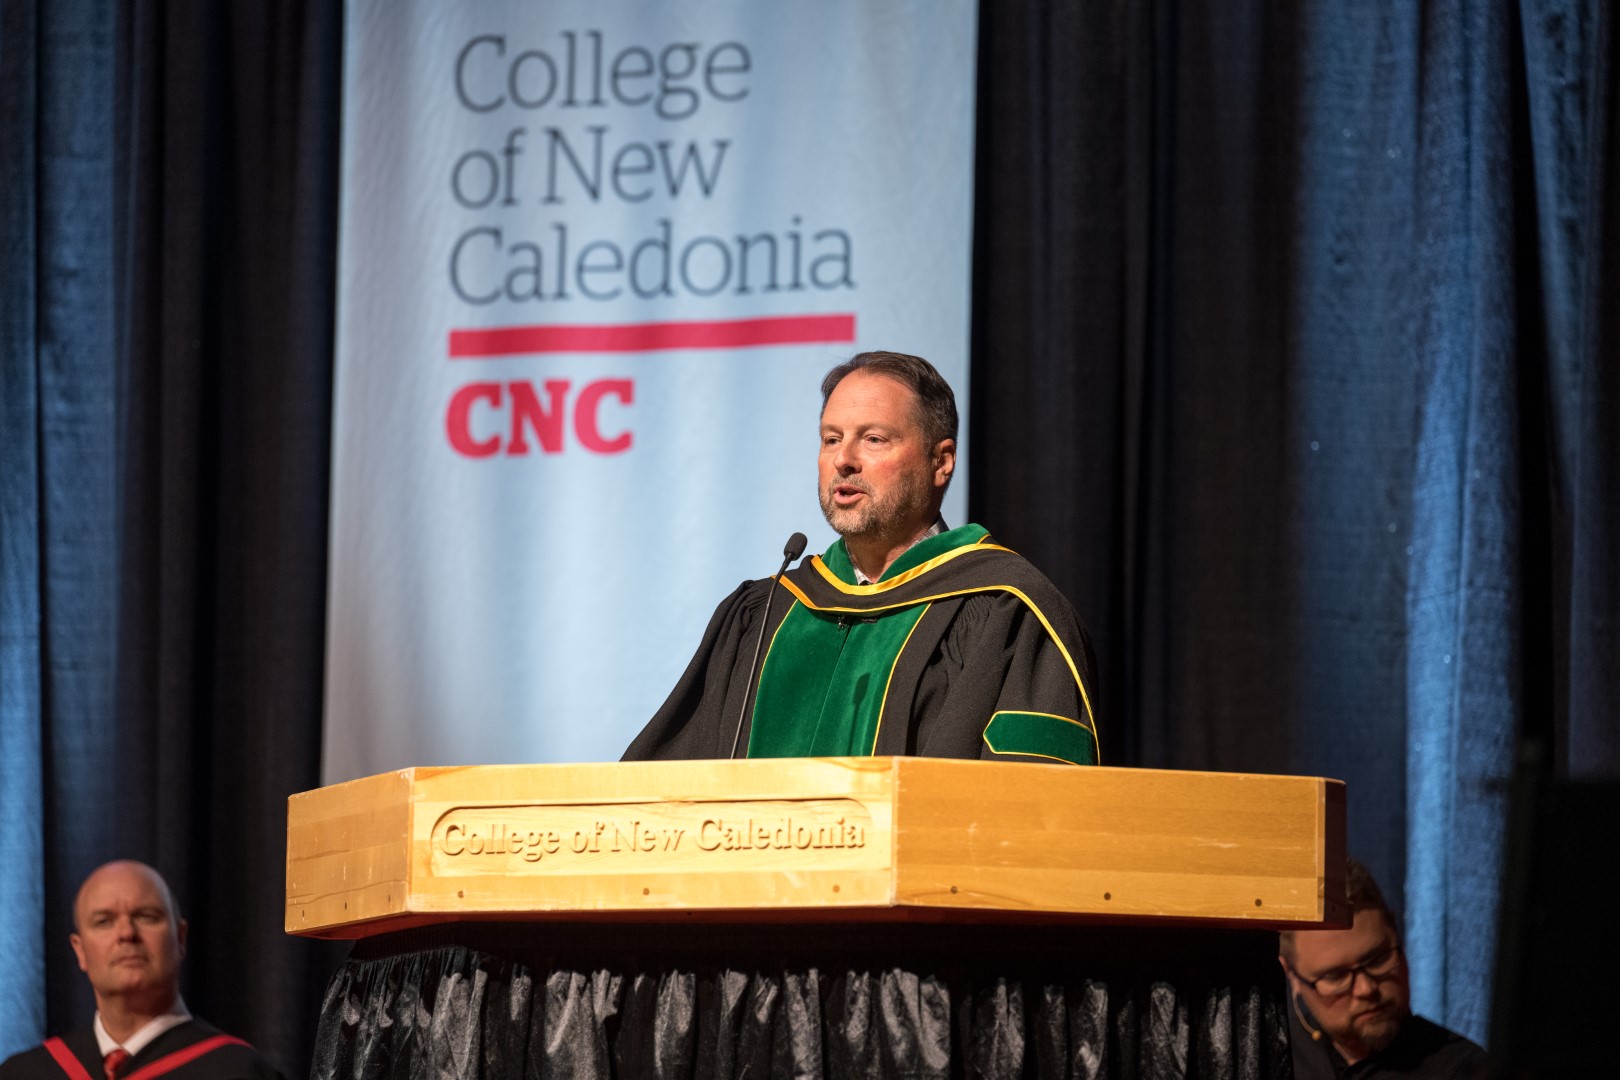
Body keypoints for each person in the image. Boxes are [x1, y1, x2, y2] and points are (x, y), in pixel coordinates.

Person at [623, 350, 1099, 764]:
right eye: (831, 439)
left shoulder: (1004, 611)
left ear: (941, 461)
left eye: (873, 439)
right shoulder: (765, 613)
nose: (843, 459)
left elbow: (1031, 804)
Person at [0, 861, 284, 1080]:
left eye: (146, 916)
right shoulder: (24, 1074)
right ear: (80, 951)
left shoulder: (239, 1072)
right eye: (104, 921)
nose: (127, 933)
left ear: (180, 938)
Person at [1279, 858, 1488, 1079]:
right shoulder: (1274, 1056)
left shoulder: (1464, 1070)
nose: (1366, 989)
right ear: (1291, 974)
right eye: (1336, 976)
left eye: (1377, 960)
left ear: (1396, 931)